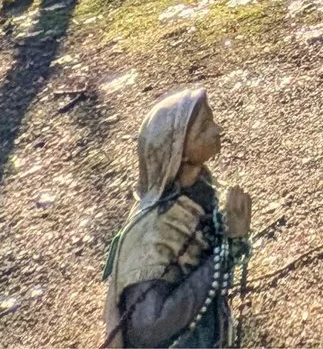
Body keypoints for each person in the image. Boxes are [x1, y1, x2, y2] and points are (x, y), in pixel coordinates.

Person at [102, 89, 253, 348]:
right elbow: (148, 328)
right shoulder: (153, 235)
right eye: (203, 128)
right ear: (178, 150)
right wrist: (228, 250)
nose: (217, 130)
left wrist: (231, 237)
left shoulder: (198, 192)